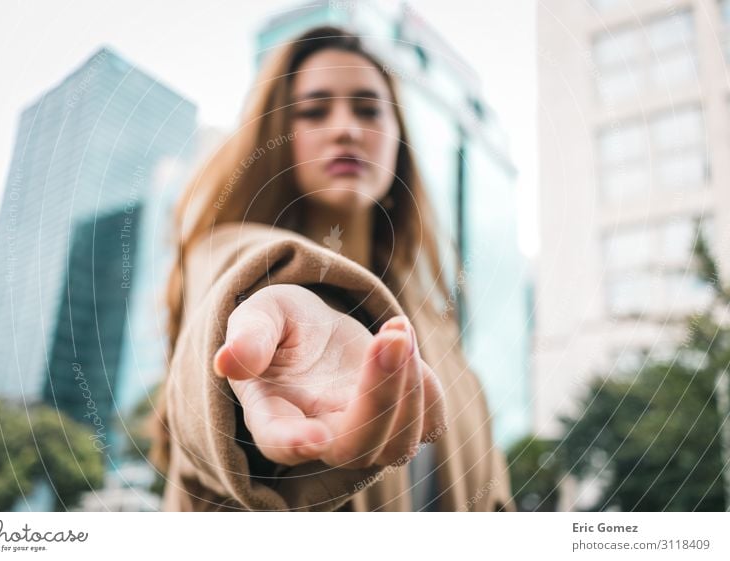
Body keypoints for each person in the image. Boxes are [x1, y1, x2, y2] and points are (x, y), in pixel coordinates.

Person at [150, 25, 514, 512]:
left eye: (368, 109)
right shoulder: (228, 260)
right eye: (315, 110)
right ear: (279, 138)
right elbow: (229, 288)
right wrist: (270, 302)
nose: (345, 128)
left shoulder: (439, 332)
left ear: (398, 145)